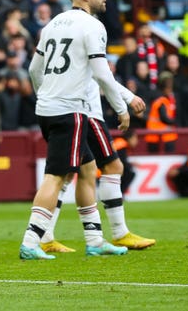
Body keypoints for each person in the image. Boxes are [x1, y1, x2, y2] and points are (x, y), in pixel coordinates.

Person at [20, 0, 137, 260]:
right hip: (69, 109)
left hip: (48, 108)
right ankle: (31, 242)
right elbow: (101, 72)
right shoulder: (92, 26)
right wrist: (121, 108)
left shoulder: (52, 24)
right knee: (56, 178)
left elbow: (34, 70)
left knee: (86, 170)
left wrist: (45, 93)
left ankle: (95, 240)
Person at [40, 81, 155, 254]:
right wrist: (125, 102)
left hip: (59, 110)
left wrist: (44, 99)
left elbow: (35, 70)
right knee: (113, 167)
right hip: (88, 112)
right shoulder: (88, 52)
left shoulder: (50, 52)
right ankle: (119, 232)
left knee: (72, 173)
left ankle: (47, 237)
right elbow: (102, 74)